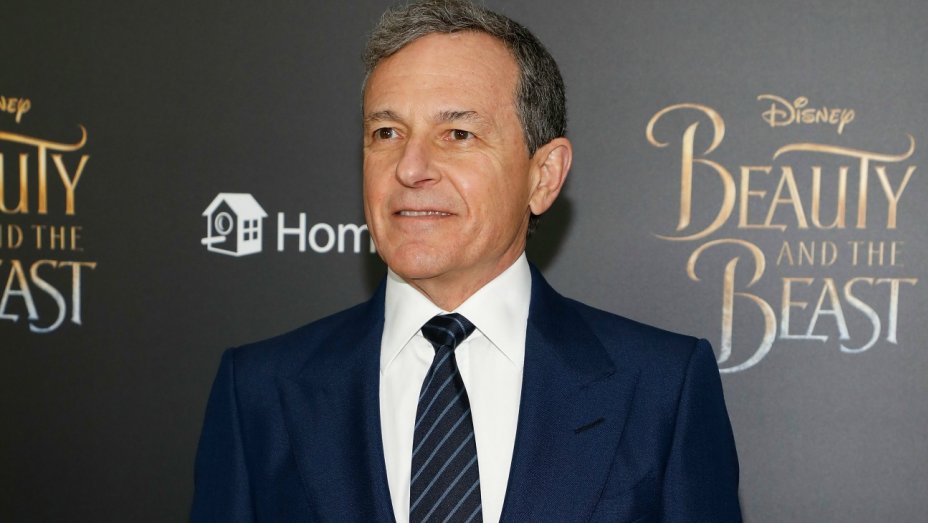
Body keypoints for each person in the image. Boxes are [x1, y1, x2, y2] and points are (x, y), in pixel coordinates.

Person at [191, 1, 741, 521]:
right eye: (386, 132)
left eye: (458, 133)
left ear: (544, 176)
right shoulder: (259, 390)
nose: (410, 167)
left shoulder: (661, 387)